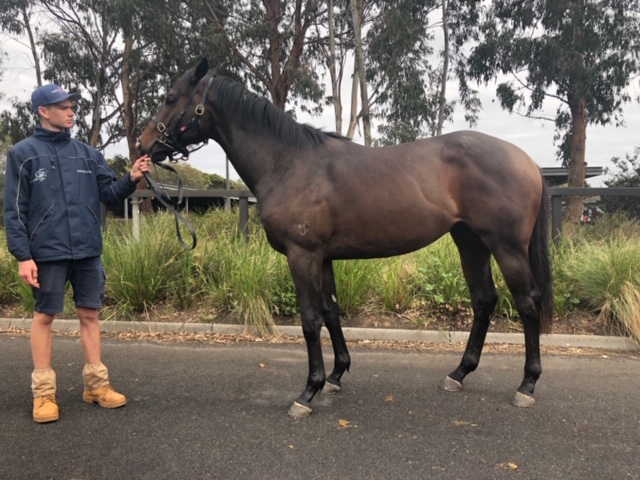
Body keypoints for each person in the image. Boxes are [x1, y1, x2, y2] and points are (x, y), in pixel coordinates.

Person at [3, 83, 152, 423]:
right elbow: (14, 210)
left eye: (72, 106)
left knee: (90, 314)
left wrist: (131, 178)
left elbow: (109, 194)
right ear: (43, 111)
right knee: (44, 317)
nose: (71, 112)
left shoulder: (88, 154)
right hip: (46, 253)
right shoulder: (23, 154)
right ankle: (43, 394)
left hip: (87, 250)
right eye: (63, 107)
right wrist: (23, 256)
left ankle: (96, 386)